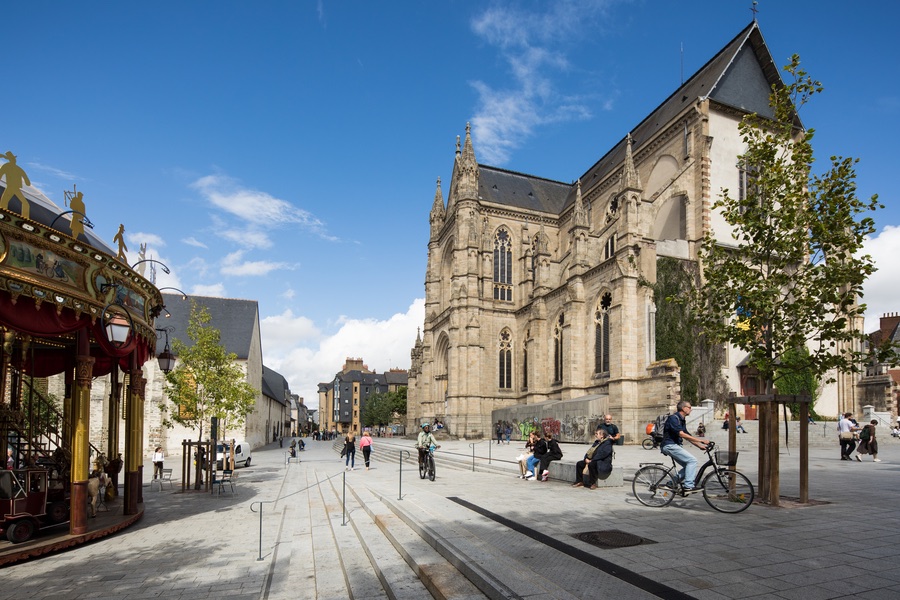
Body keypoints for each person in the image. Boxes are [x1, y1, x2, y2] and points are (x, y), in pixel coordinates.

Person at [660, 400, 709, 491]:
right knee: (692, 461)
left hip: (675, 445)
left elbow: (688, 436)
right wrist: (700, 440)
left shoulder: (681, 420)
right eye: (690, 407)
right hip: (669, 445)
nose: (691, 409)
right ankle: (688, 486)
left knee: (688, 466)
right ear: (683, 408)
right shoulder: (673, 418)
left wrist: (699, 445)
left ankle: (672, 483)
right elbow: (681, 434)